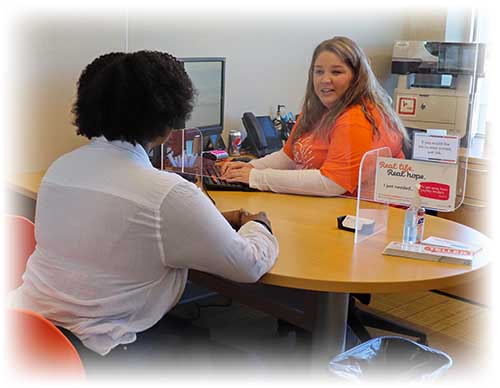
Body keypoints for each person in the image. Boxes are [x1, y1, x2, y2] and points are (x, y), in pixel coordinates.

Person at [7, 50, 278, 361]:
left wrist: (216, 219)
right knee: (250, 363)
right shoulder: (166, 194)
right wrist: (259, 224)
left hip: (28, 334)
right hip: (98, 353)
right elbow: (249, 266)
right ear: (169, 121)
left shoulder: (59, 169)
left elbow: (124, 225)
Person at [221, 36, 408, 196]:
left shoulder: (356, 118)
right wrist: (250, 167)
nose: (325, 79)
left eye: (337, 72)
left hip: (362, 223)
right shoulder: (317, 110)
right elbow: (288, 157)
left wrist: (256, 177)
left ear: (357, 77)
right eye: (319, 71)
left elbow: (332, 183)